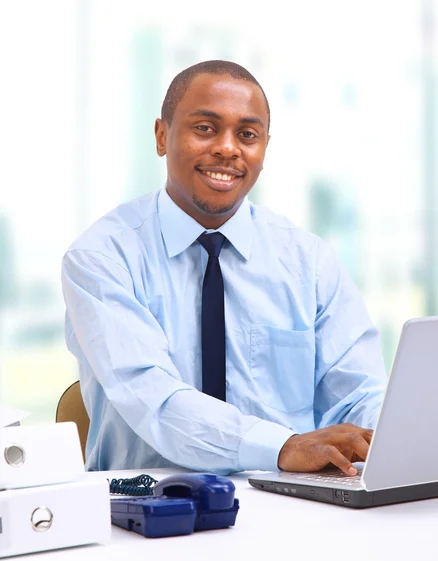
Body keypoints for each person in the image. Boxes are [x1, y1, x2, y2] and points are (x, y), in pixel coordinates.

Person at [62, 60, 386, 476]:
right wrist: (283, 446)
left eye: (247, 135)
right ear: (162, 136)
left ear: (265, 149)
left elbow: (360, 393)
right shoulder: (101, 258)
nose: (228, 149)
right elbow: (154, 399)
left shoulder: (310, 262)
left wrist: (389, 440)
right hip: (148, 510)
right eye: (205, 129)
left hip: (294, 505)